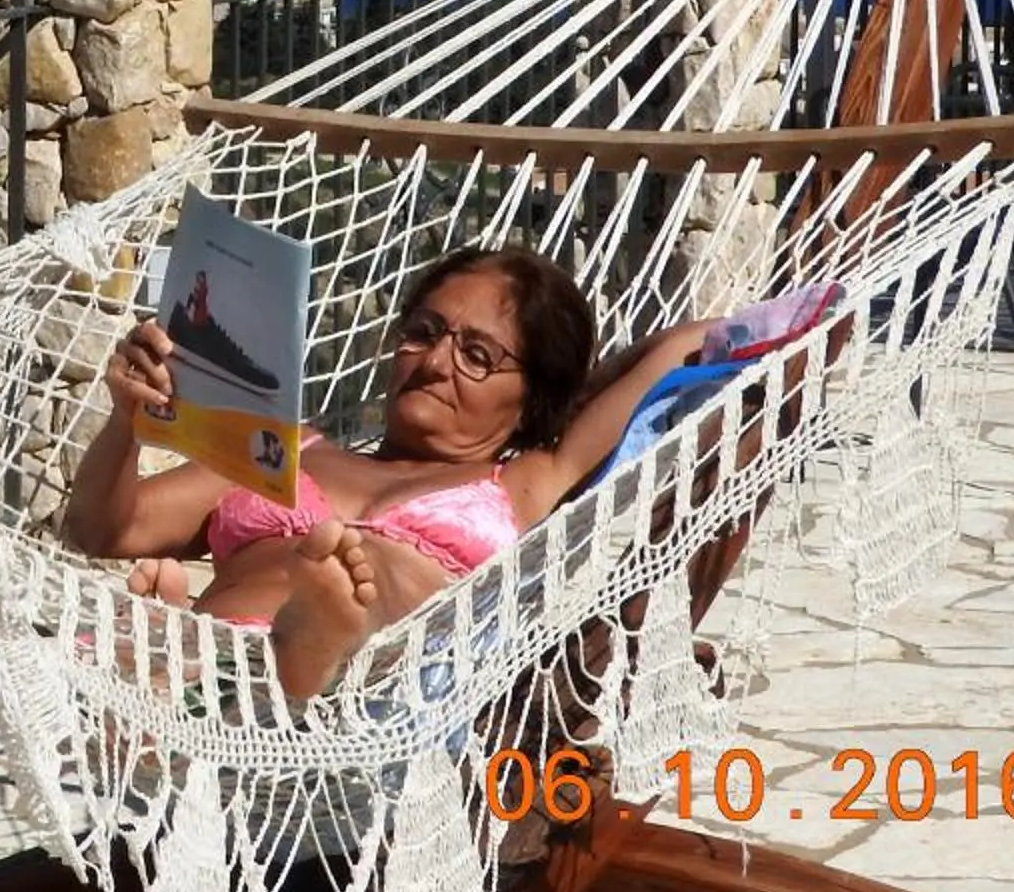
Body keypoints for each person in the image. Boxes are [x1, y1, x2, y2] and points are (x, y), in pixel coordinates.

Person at [63, 244, 720, 702]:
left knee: (343, 612)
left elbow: (670, 354)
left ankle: (311, 640)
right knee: (207, 659)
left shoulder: (527, 480)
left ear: (532, 397)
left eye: (477, 355)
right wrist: (127, 420)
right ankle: (173, 657)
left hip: (379, 699)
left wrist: (806, 320)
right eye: (424, 331)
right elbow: (101, 527)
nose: (434, 362)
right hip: (217, 661)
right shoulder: (283, 445)